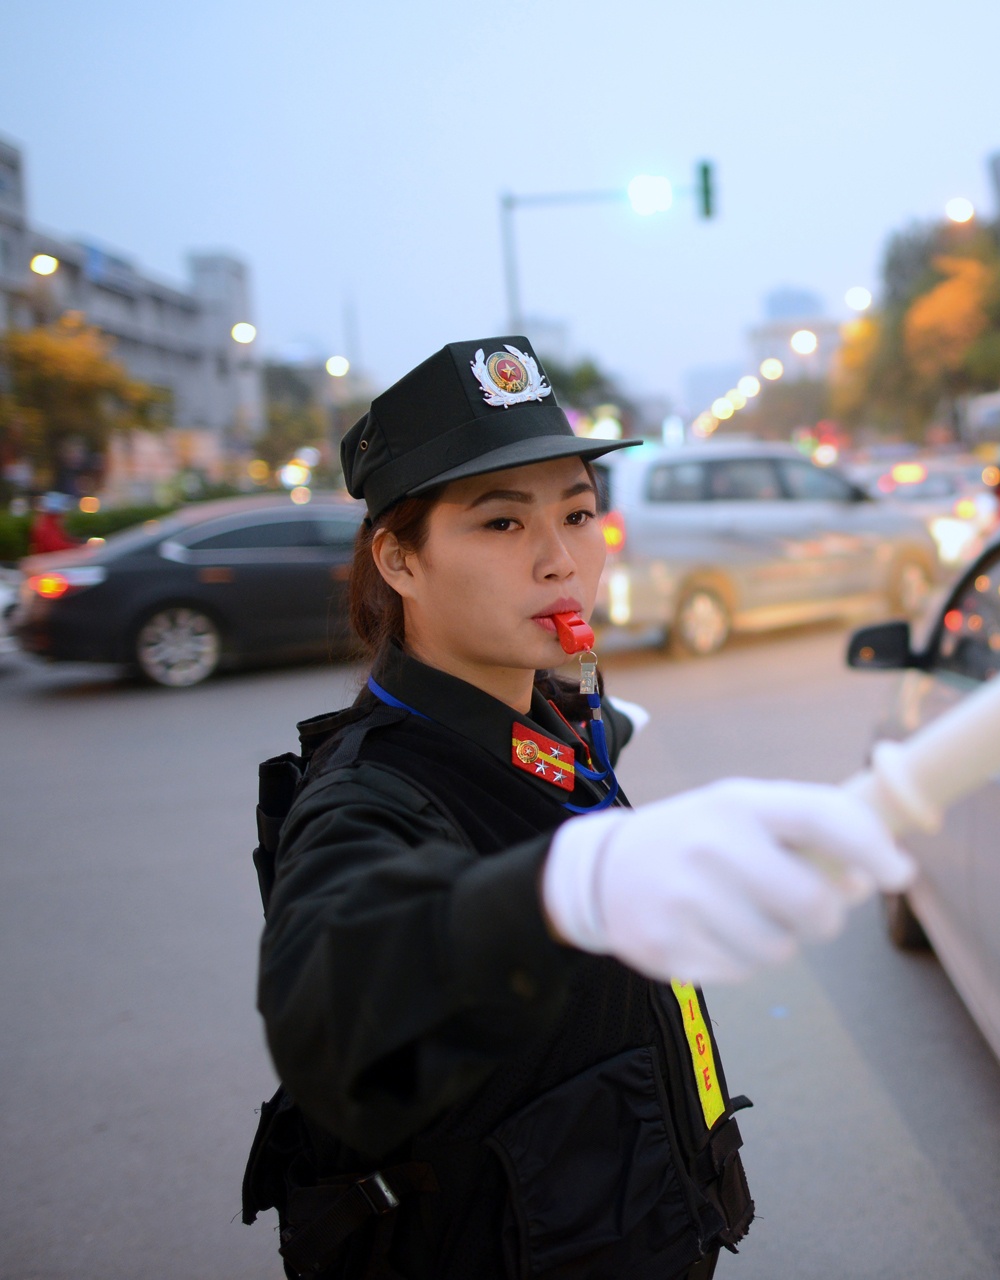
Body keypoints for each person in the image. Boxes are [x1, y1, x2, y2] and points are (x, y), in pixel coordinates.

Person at [242, 336, 912, 1280]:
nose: (561, 560)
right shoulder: (369, 788)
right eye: (503, 525)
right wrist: (574, 882)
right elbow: (339, 980)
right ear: (398, 559)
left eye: (580, 512)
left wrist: (599, 745)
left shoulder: (546, 719)